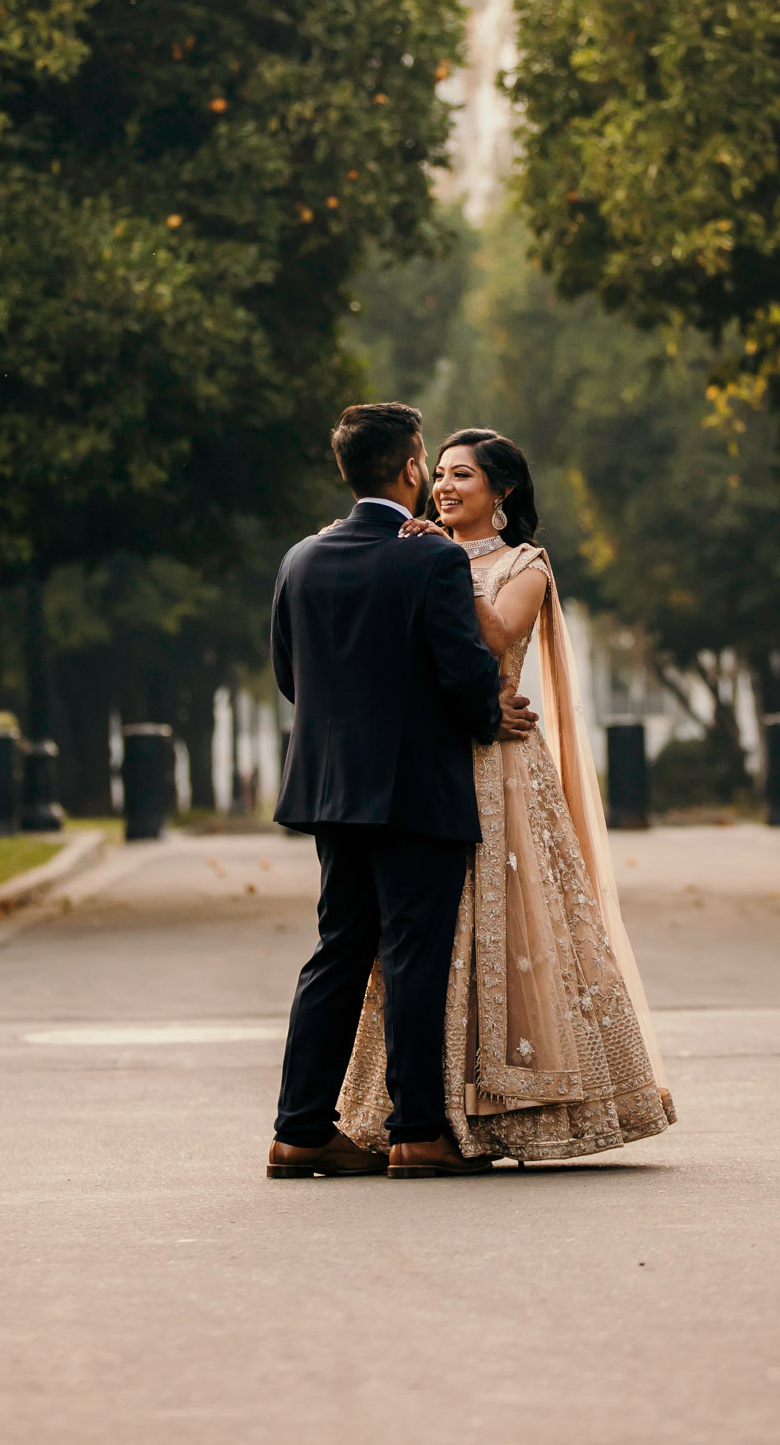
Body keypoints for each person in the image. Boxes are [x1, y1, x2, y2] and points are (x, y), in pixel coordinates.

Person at [337, 428, 675, 1163]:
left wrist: (441, 566)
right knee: (427, 942)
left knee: (509, 932)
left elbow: (493, 643)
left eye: (463, 476)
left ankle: (511, 1108)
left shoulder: (525, 566)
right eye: (442, 474)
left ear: (504, 490)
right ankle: (417, 1113)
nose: (445, 487)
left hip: (502, 771)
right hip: (427, 762)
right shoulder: (413, 550)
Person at [267, 401, 539, 1182]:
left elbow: (292, 679)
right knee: (416, 956)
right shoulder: (431, 561)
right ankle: (417, 1131)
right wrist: (491, 716)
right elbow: (461, 672)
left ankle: (298, 1130)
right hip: (418, 785)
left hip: (327, 788)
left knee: (338, 951)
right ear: (412, 468)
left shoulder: (300, 559)